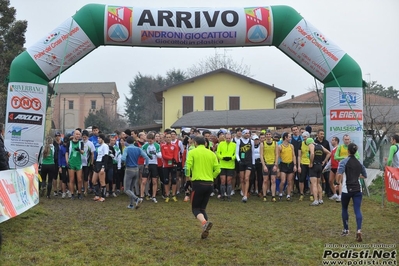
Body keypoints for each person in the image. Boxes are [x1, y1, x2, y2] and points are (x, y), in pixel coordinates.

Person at [185, 136, 221, 239]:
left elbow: (187, 167)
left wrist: (188, 177)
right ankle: (205, 229)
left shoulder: (192, 152)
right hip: (209, 184)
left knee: (195, 209)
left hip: (198, 183)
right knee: (202, 208)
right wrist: (212, 177)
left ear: (195, 143)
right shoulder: (212, 154)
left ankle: (205, 223)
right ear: (205, 144)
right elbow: (218, 170)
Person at [336, 143, 367, 242]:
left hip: (346, 189)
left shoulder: (343, 162)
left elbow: (339, 174)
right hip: (358, 189)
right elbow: (364, 176)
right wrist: (358, 176)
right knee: (357, 209)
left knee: (344, 208)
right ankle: (358, 229)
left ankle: (346, 229)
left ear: (348, 151)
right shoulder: (359, 163)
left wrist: (337, 182)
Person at [121, 136, 149, 209]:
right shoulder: (138, 149)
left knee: (126, 189)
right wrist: (146, 165)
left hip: (129, 169)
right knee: (131, 188)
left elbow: (123, 158)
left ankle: (137, 199)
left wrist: (123, 162)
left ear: (127, 142)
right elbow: (146, 157)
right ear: (133, 142)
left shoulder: (126, 149)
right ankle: (131, 204)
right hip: (136, 169)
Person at [307, 138, 331, 206]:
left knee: (314, 184)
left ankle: (315, 200)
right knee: (318, 183)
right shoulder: (320, 146)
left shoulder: (311, 145)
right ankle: (320, 199)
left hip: (314, 166)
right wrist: (324, 161)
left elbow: (312, 154)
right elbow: (329, 153)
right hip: (320, 166)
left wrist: (311, 163)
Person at [141, 133, 162, 203]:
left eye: (150, 141)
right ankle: (141, 196)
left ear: (153, 140)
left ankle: (154, 196)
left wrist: (155, 153)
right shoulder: (145, 145)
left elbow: (160, 156)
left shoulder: (157, 145)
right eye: (148, 141)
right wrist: (146, 155)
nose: (149, 142)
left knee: (154, 181)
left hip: (154, 164)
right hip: (146, 164)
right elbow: (141, 153)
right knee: (144, 181)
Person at [235, 129, 255, 203]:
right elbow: (236, 153)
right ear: (243, 134)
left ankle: (246, 194)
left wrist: (253, 163)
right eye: (246, 133)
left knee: (247, 178)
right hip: (241, 162)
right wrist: (239, 160)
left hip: (248, 162)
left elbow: (252, 153)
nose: (247, 134)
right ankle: (243, 193)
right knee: (242, 179)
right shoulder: (239, 141)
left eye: (248, 133)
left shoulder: (251, 142)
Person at [216, 132, 236, 201]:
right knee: (223, 180)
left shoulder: (234, 145)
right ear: (225, 138)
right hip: (222, 165)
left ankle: (229, 195)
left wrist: (231, 158)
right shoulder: (221, 144)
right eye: (227, 138)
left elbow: (236, 154)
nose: (228, 139)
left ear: (231, 138)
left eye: (229, 138)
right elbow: (217, 153)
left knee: (229, 181)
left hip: (230, 165)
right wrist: (222, 158)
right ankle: (222, 195)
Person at [277, 132, 297, 201]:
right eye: (289, 137)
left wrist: (295, 165)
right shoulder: (280, 147)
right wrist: (277, 168)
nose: (290, 138)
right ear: (285, 138)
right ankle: (280, 193)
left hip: (290, 164)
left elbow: (293, 155)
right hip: (283, 165)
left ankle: (288, 195)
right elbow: (278, 157)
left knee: (289, 181)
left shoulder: (291, 146)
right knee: (283, 181)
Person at [260, 130, 279, 202]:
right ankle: (264, 195)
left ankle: (273, 196)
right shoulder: (263, 144)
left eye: (269, 134)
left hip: (273, 164)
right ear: (265, 136)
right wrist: (264, 165)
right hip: (266, 164)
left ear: (271, 135)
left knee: (273, 180)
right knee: (265, 180)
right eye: (267, 134)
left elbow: (277, 154)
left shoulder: (275, 143)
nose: (268, 136)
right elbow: (261, 155)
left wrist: (276, 165)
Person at [65, 130, 84, 200]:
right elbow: (66, 152)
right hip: (71, 162)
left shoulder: (81, 143)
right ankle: (72, 193)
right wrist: (67, 161)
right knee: (71, 179)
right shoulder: (69, 143)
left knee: (79, 179)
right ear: (74, 134)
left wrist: (79, 150)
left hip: (78, 163)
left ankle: (79, 193)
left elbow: (83, 152)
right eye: (76, 134)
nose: (78, 136)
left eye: (79, 134)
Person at [92, 134, 110, 202]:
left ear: (102, 139)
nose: (98, 140)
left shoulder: (105, 146)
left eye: (99, 138)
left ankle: (103, 196)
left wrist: (103, 167)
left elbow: (106, 157)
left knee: (102, 181)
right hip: (97, 163)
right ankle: (97, 195)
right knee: (94, 180)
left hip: (101, 164)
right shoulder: (99, 147)